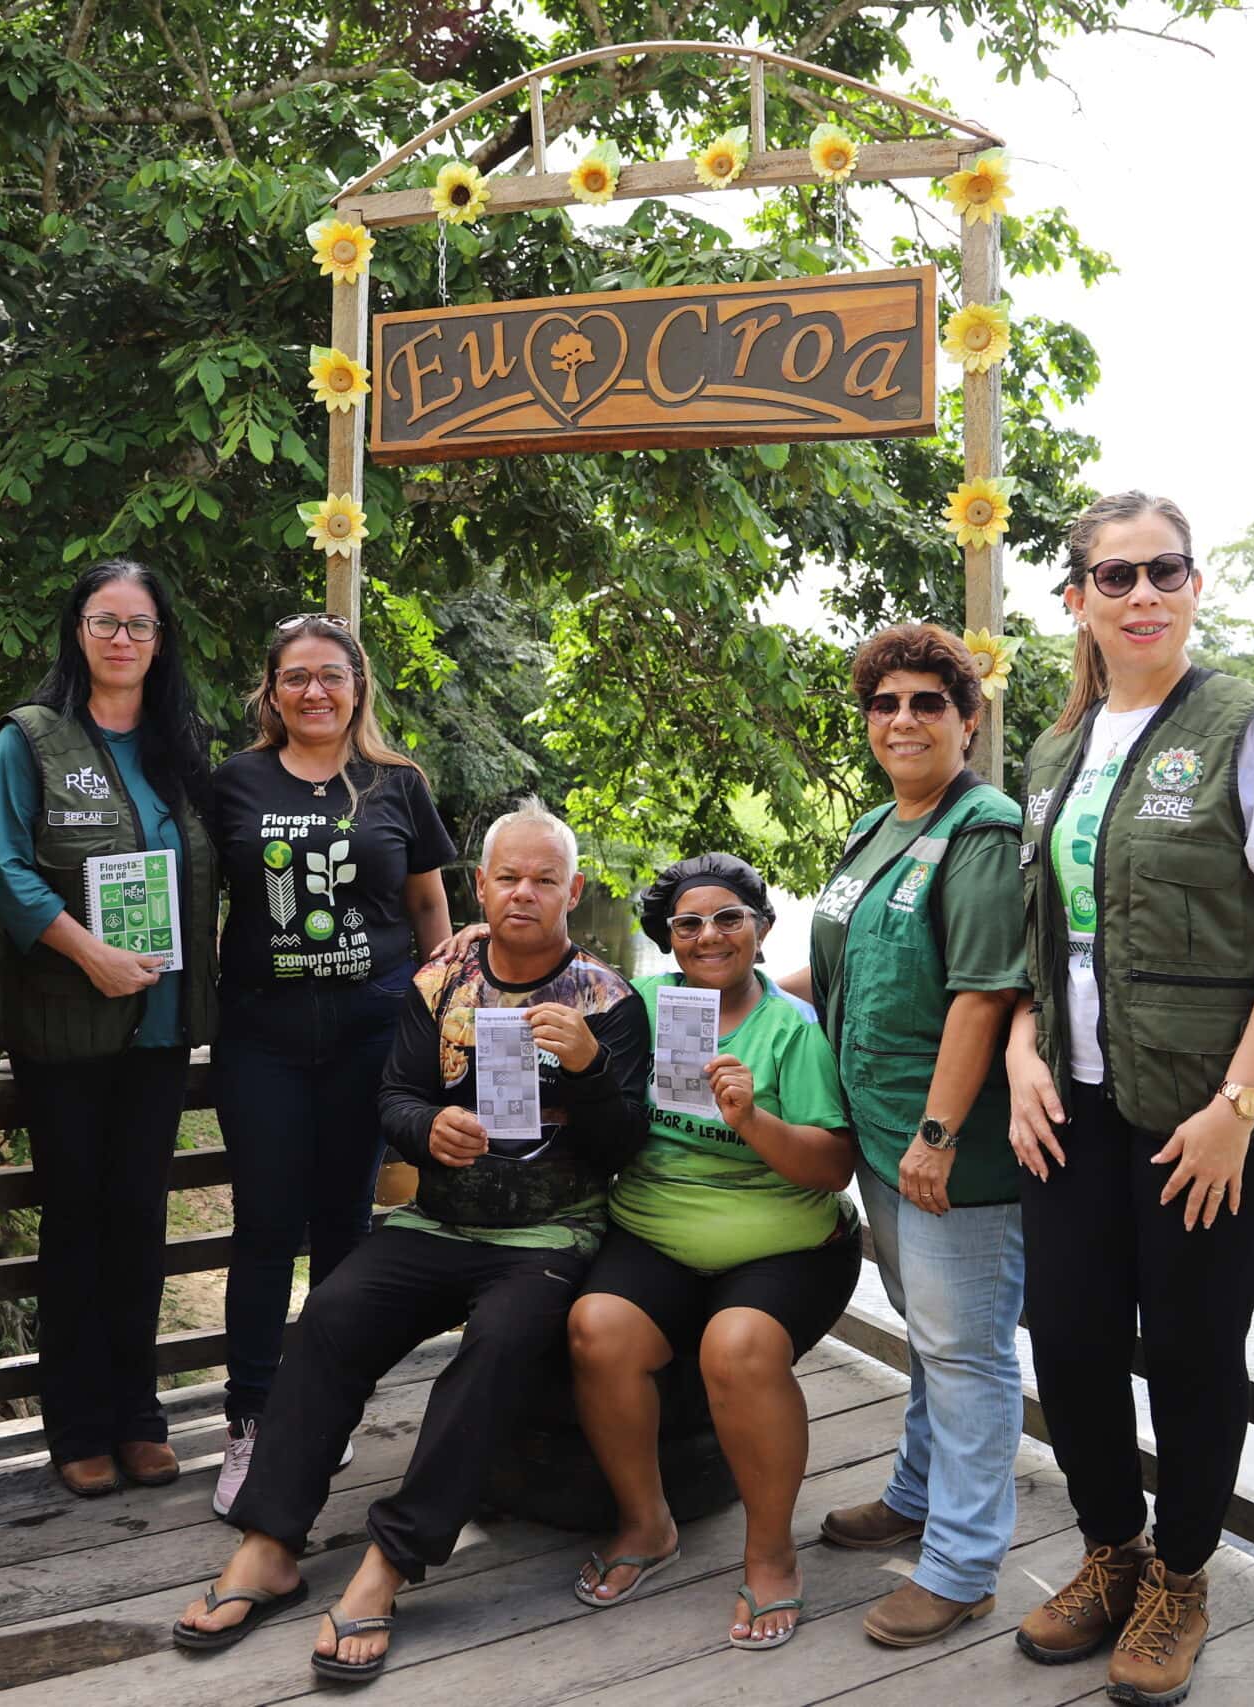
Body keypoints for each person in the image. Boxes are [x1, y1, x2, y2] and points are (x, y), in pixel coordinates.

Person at [172, 799, 650, 1684]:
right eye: (508, 876)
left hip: (548, 1231)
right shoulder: (439, 979)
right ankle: (273, 1539)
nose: (524, 893)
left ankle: (391, 1558)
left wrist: (586, 1070)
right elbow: (392, 1097)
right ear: (480, 884)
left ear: (573, 891)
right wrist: (428, 1130)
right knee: (332, 1312)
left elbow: (624, 1144)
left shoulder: (610, 1001)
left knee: (502, 1341)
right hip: (437, 1220)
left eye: (546, 879)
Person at [1004, 491, 1254, 1704]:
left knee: (1192, 1351)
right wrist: (1021, 1055)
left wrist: (1237, 1110)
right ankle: (1110, 1553)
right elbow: (1047, 940)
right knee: (1071, 1338)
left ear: (1196, 587)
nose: (1141, 594)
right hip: (1078, 1102)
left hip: (1212, 1114)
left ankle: (1182, 1579)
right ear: (1077, 602)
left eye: (1165, 571)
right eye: (1114, 577)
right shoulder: (1055, 750)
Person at [775, 622, 1029, 1649]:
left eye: (929, 702)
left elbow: (980, 994)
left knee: (965, 1356)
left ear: (967, 720)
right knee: (928, 1339)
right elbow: (828, 977)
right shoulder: (879, 827)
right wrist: (696, 1000)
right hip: (879, 1138)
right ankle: (918, 1493)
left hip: (950, 1156)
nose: (903, 720)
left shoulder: (979, 831)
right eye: (884, 704)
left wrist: (936, 1133)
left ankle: (964, 1567)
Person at [566, 852, 860, 1652]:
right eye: (689, 922)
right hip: (656, 1226)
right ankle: (646, 1522)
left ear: (760, 930)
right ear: (667, 937)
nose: (709, 935)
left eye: (729, 917)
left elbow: (834, 1166)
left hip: (783, 1238)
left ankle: (770, 1552)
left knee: (737, 1347)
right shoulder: (642, 1007)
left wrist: (753, 1120)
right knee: (598, 1326)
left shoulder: (789, 1029)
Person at [206, 614, 458, 1514]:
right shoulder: (233, 782)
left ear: (359, 686)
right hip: (262, 1037)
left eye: (333, 675)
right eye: (296, 677)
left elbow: (431, 904)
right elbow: (198, 897)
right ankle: (249, 1422)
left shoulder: (396, 783)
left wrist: (440, 1016)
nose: (315, 692)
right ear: (271, 692)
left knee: (347, 1227)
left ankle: (327, 1406)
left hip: (371, 1033)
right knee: (266, 1226)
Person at [0, 558, 218, 1498]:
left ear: (162, 642)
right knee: (76, 1221)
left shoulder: (177, 745)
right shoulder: (29, 740)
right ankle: (76, 1423)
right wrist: (90, 954)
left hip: (161, 1026)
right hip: (67, 1024)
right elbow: (5, 870)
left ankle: (139, 1413)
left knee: (141, 1221)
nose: (123, 639)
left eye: (141, 625)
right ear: (77, 630)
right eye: (105, 621)